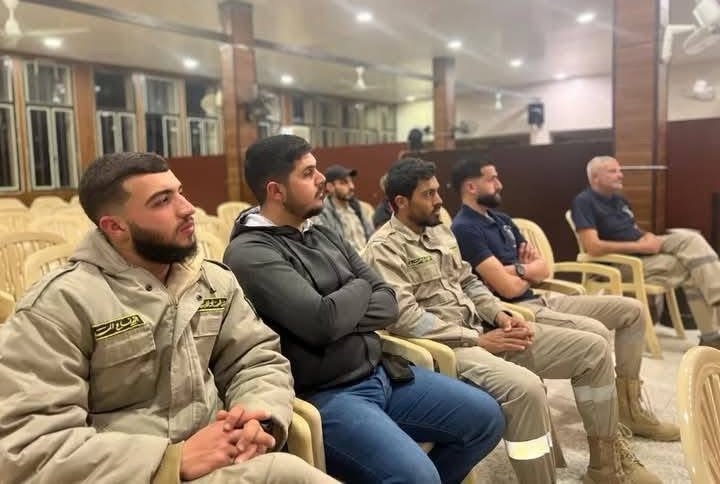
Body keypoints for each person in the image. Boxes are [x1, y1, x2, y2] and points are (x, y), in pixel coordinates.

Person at [0, 152, 333, 484]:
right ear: (115, 227)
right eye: (162, 201)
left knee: (292, 475)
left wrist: (255, 416)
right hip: (132, 476)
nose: (187, 208)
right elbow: (29, 446)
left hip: (224, 461)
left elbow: (256, 358)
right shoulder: (59, 306)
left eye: (180, 192)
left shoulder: (212, 281)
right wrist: (171, 460)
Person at [224, 135, 505, 484]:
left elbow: (387, 302)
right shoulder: (250, 253)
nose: (321, 179)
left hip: (381, 373)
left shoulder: (323, 234)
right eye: (308, 173)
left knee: (486, 418)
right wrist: (358, 286)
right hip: (327, 395)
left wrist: (339, 304)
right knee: (417, 476)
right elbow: (322, 323)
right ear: (276, 191)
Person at [362, 157, 660, 484]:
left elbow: (469, 282)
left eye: (437, 191)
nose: (438, 200)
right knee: (527, 390)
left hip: (484, 328)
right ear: (401, 202)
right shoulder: (384, 248)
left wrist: (500, 314)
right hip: (448, 349)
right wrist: (475, 339)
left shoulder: (439, 232)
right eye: (428, 194)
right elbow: (407, 319)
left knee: (593, 349)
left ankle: (606, 466)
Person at [449, 158, 678, 442]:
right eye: (491, 179)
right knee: (595, 334)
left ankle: (629, 405)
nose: (500, 184)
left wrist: (518, 270)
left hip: (542, 297)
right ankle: (604, 430)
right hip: (516, 310)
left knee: (632, 310)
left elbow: (544, 269)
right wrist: (525, 270)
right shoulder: (464, 228)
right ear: (471, 187)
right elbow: (507, 290)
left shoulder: (503, 220)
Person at [571, 156, 720, 348]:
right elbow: (593, 247)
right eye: (613, 171)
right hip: (619, 263)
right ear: (595, 177)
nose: (620, 175)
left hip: (640, 250)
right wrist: (640, 247)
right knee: (689, 267)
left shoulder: (619, 199)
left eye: (619, 170)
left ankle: (717, 296)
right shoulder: (583, 202)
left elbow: (630, 230)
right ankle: (711, 337)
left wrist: (647, 236)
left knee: (690, 239)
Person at [313, 164, 373, 252]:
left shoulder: (357, 208)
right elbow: (330, 247)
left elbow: (371, 236)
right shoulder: (322, 213)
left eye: (351, 181)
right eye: (344, 182)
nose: (351, 186)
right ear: (330, 187)